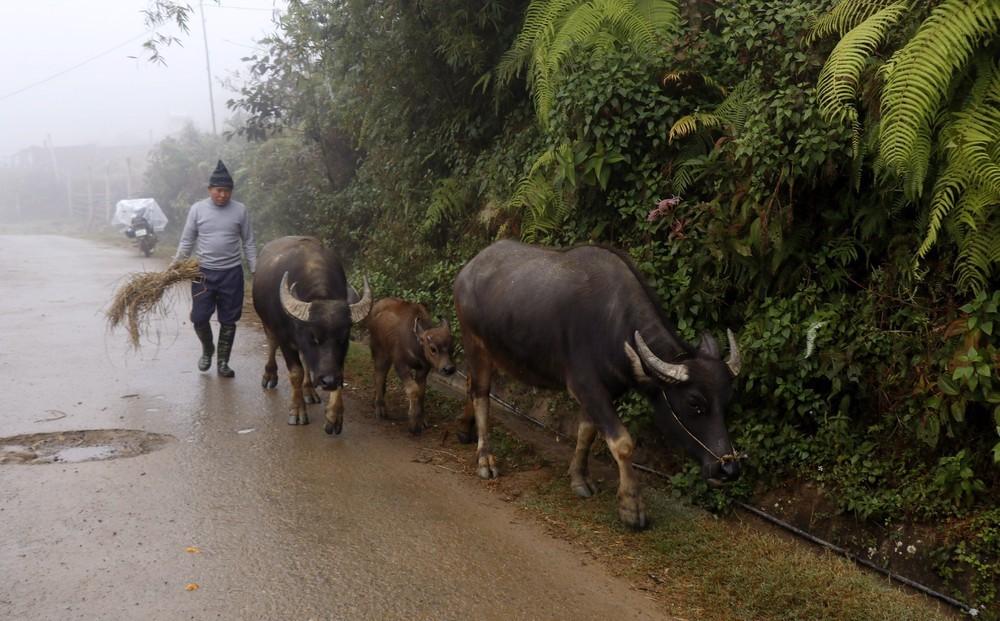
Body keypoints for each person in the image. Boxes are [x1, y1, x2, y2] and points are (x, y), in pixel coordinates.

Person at [172, 160, 258, 378]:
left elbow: (248, 241)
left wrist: (256, 268)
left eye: (227, 191)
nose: (223, 195)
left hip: (231, 273)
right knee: (199, 317)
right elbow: (187, 241)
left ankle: (222, 362)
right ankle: (208, 349)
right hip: (203, 274)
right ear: (210, 189)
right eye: (219, 190)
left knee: (229, 320)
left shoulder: (240, 210)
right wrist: (174, 266)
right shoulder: (197, 210)